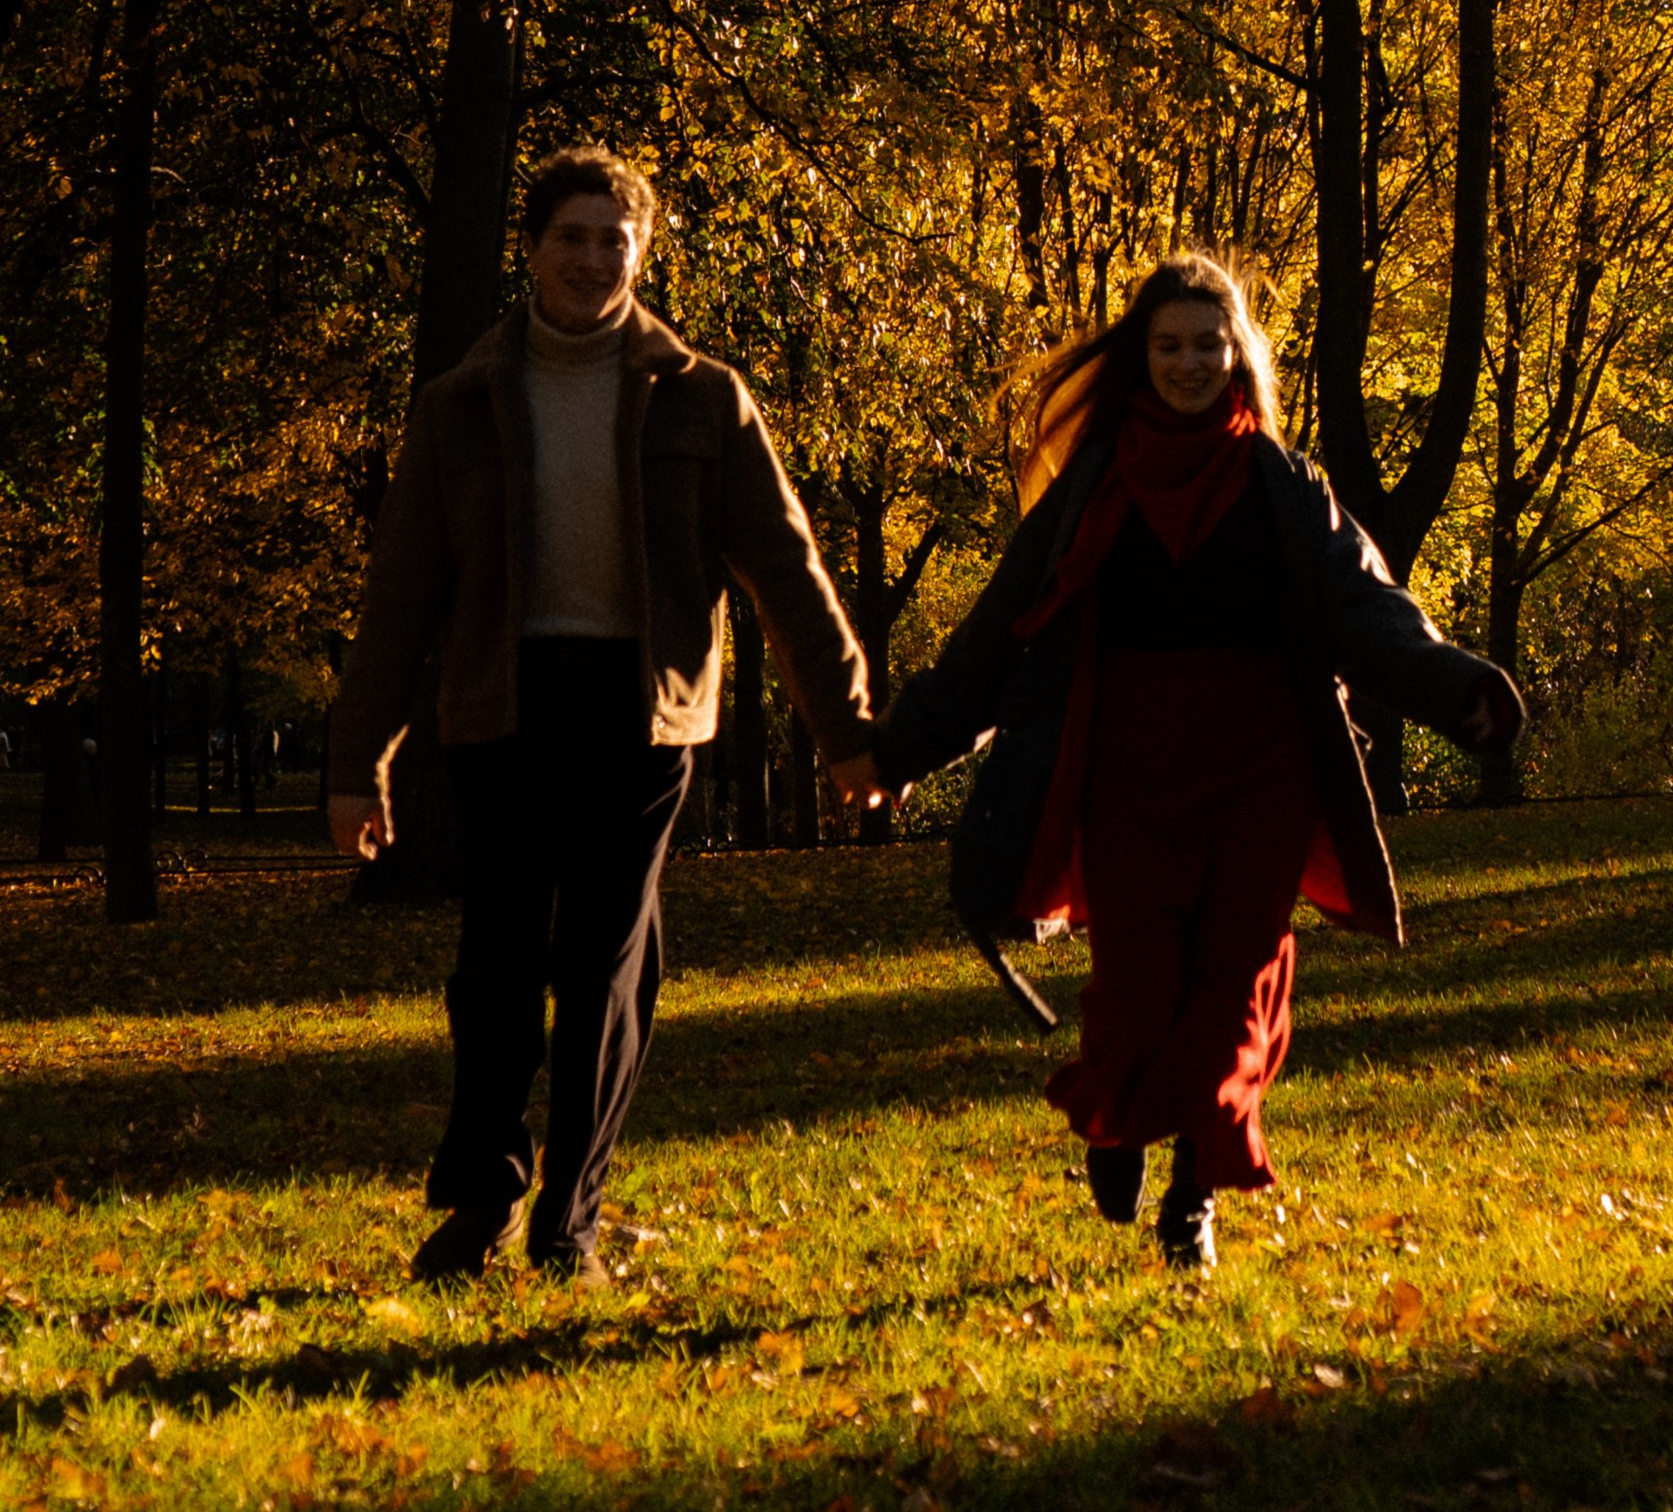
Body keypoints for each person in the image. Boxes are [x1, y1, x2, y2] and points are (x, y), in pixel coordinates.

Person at [871, 254, 1521, 1270]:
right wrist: (903, 746)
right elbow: (997, 633)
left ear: (1236, 355)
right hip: (1125, 773)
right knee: (1136, 987)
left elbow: (1366, 611)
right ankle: (1121, 1114)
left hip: (1260, 772)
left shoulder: (1282, 485)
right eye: (1167, 345)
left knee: (1234, 988)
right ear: (1142, 357)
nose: (1186, 363)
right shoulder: (1092, 489)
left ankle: (1191, 1196)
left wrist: (1456, 689)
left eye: (1205, 345)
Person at [329, 146, 873, 1283]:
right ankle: (480, 1190)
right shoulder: (462, 404)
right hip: (502, 708)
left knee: (603, 965)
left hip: (642, 714)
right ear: (530, 250)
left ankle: (564, 1219)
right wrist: (356, 760)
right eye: (568, 237)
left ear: (642, 251)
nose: (589, 258)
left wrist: (848, 730)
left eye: (610, 239)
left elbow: (788, 568)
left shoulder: (705, 397)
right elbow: (401, 595)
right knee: (494, 968)